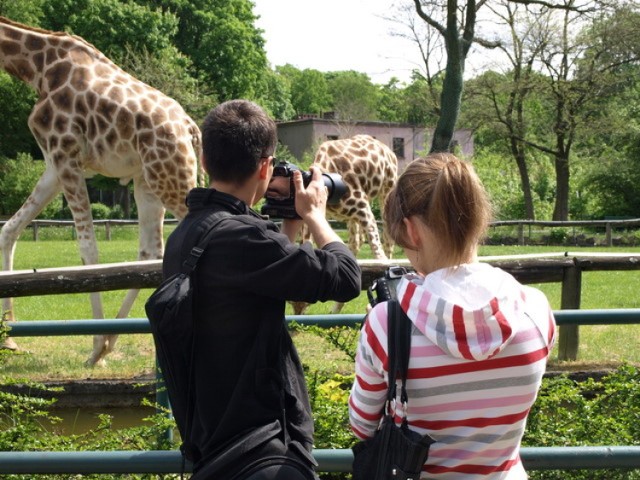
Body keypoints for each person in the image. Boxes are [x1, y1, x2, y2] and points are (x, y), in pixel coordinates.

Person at [162, 99, 361, 480]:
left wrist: (287, 219)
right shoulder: (246, 240)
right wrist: (315, 216)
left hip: (212, 446)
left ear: (204, 161)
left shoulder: (188, 235)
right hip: (262, 452)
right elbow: (346, 276)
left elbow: (266, 278)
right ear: (265, 167)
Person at [348, 153, 556, 479]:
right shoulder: (537, 310)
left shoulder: (387, 324)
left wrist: (376, 332)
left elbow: (361, 425)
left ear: (410, 230)